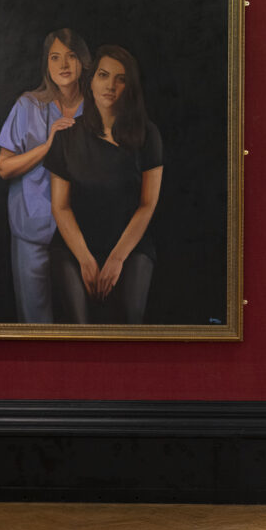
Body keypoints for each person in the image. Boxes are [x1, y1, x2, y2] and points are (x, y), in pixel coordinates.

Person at [44, 45, 164, 324]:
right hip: (75, 247)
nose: (110, 85)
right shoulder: (67, 138)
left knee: (130, 320)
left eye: (120, 78)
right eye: (103, 75)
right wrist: (85, 259)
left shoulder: (148, 135)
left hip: (129, 246)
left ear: (130, 86)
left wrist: (117, 259)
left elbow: (148, 204)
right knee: (77, 325)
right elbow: (60, 207)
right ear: (91, 81)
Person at [0, 28, 92, 323]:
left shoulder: (96, 107)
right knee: (36, 320)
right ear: (46, 64)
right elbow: (4, 167)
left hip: (83, 229)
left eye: (71, 56)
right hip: (32, 227)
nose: (63, 65)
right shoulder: (28, 105)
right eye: (55, 57)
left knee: (84, 319)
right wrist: (48, 147)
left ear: (84, 61)